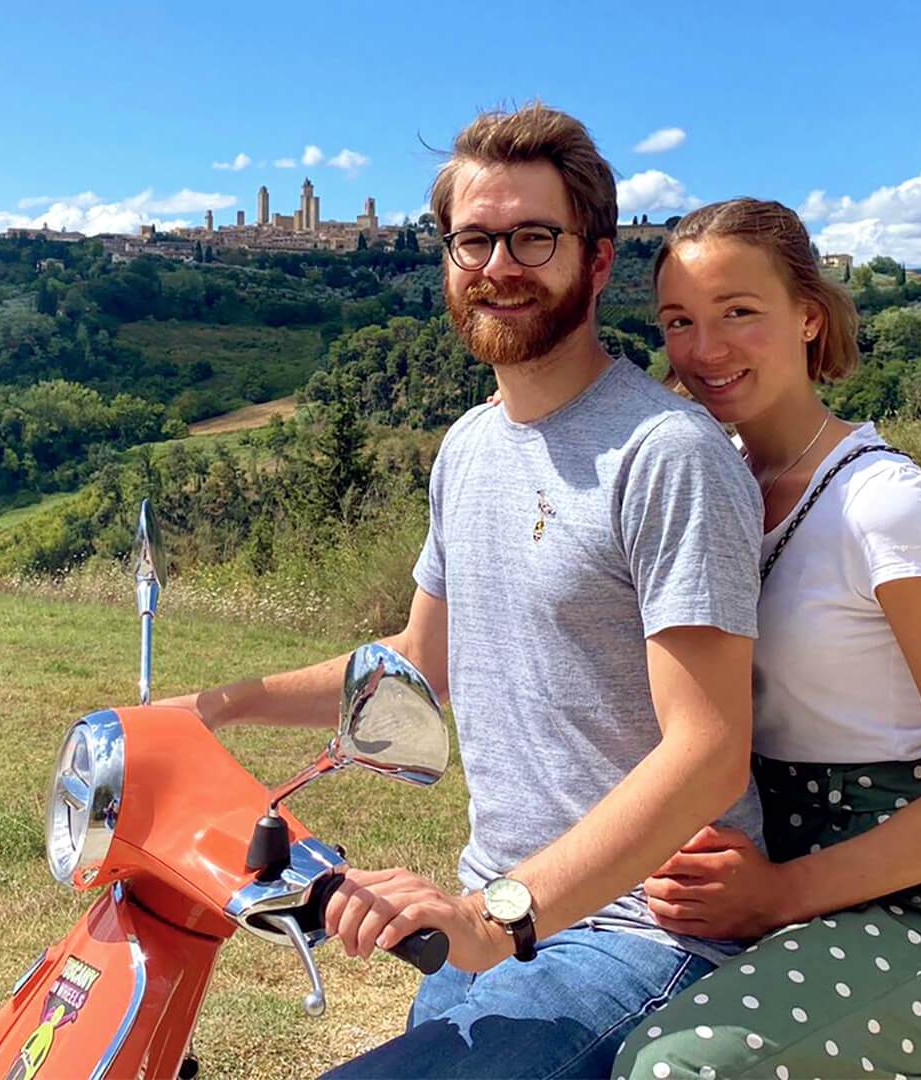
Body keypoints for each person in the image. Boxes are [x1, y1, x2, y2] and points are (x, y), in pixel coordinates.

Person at [163, 104, 766, 1078]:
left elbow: (705, 754)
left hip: (638, 941)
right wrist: (212, 710)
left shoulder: (666, 457)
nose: (499, 265)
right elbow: (414, 665)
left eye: (534, 237)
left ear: (599, 263)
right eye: (474, 239)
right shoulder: (467, 449)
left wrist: (493, 917)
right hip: (494, 927)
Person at [611, 199, 921, 1080]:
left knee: (680, 1070)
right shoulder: (715, 488)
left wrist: (778, 897)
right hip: (768, 859)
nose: (705, 350)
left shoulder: (882, 505)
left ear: (809, 316)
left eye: (739, 312)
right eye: (679, 322)